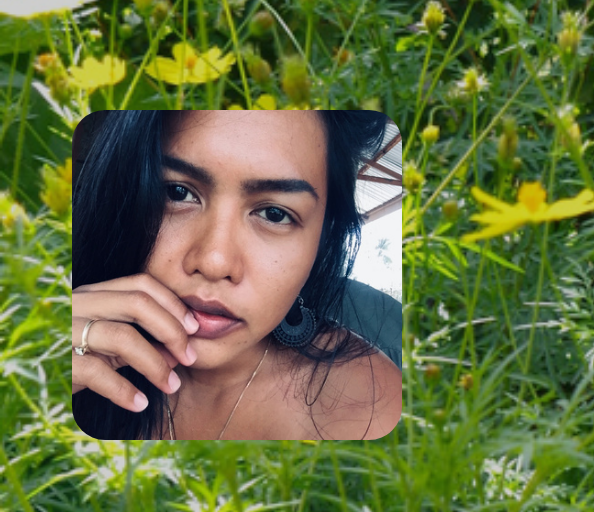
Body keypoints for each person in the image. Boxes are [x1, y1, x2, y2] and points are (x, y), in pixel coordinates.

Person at [71, 110, 403, 440]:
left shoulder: (373, 411)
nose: (214, 263)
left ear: (322, 240)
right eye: (177, 193)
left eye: (274, 214)